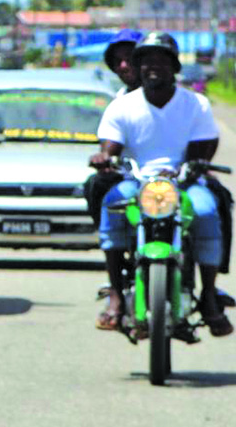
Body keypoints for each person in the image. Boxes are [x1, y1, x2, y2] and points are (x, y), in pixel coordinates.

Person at [88, 32, 233, 338]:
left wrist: (184, 171)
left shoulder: (196, 104)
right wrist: (104, 157)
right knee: (113, 205)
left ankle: (208, 295)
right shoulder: (122, 106)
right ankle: (116, 294)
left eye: (160, 60)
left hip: (182, 183)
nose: (152, 67)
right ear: (138, 68)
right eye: (145, 61)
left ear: (174, 66)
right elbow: (109, 145)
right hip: (137, 183)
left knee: (207, 210)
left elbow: (202, 151)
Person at [83, 29, 144, 230]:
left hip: (171, 180)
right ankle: (113, 250)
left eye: (130, 58)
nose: (124, 66)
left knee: (213, 200)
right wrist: (104, 159)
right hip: (133, 180)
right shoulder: (118, 104)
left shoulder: (180, 100)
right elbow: (109, 145)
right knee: (97, 185)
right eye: (118, 61)